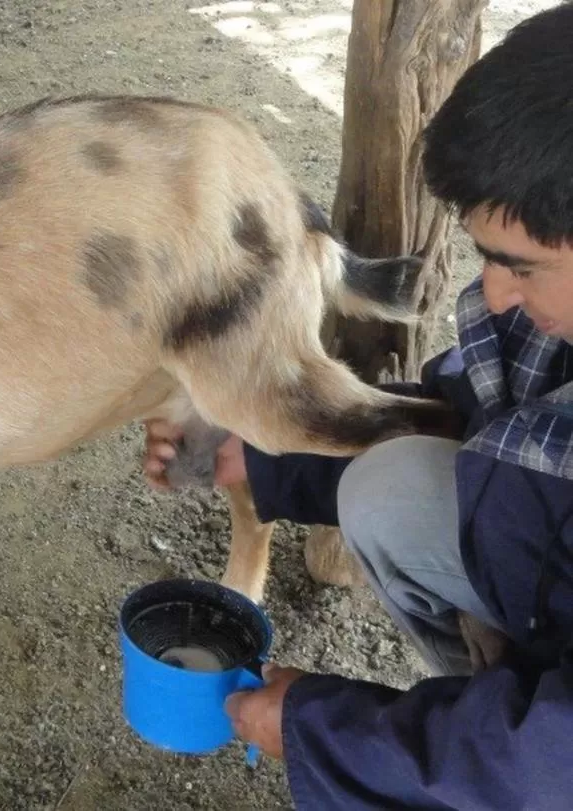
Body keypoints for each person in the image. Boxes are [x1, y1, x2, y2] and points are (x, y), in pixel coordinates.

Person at [143, 5, 573, 809]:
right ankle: (501, 687)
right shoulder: (551, 318)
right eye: (487, 258)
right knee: (391, 483)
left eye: (522, 265)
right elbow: (475, 416)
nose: (493, 292)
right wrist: (273, 453)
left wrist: (323, 729)